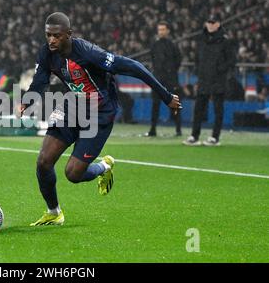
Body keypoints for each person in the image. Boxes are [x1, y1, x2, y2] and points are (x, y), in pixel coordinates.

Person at [19, 12, 181, 226]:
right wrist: (26, 101)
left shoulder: (89, 53)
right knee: (43, 162)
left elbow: (133, 67)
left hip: (99, 113)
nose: (51, 40)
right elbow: (40, 81)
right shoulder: (47, 53)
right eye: (48, 35)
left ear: (69, 34)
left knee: (73, 174)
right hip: (73, 107)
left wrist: (166, 96)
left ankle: (104, 167)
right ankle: (54, 212)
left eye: (56, 36)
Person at [183, 13, 236, 146]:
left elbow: (232, 60)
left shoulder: (225, 41)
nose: (211, 25)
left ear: (218, 24)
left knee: (218, 109)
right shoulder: (201, 40)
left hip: (218, 79)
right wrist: (198, 71)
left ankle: (215, 137)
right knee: (198, 109)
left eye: (213, 22)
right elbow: (197, 58)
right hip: (204, 79)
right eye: (209, 22)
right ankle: (194, 136)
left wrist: (219, 69)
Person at [145, 21, 182, 137]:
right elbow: (153, 59)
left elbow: (178, 61)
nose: (161, 32)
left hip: (170, 80)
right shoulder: (154, 45)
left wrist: (170, 72)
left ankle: (178, 129)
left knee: (174, 104)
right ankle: (153, 129)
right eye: (159, 30)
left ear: (168, 31)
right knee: (155, 105)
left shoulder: (173, 45)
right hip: (157, 80)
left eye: (163, 29)